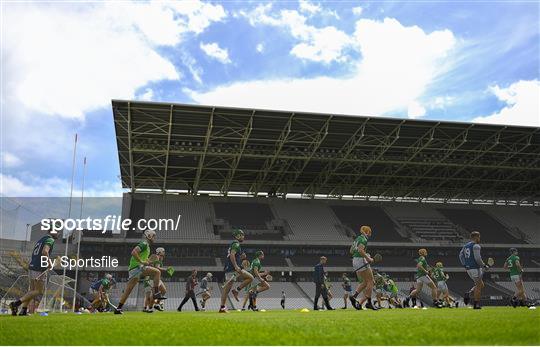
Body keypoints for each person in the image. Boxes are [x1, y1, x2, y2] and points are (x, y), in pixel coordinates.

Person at [10, 225, 59, 316]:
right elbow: (45, 252)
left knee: (31, 291)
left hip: (32, 266)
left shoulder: (41, 239)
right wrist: (49, 263)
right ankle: (16, 304)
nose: (58, 233)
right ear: (53, 231)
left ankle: (23, 311)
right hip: (39, 268)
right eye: (57, 231)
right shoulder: (50, 240)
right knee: (39, 291)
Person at [114, 229, 164, 314]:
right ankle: (156, 293)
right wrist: (141, 261)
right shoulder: (144, 244)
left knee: (128, 290)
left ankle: (118, 308)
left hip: (134, 268)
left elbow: (144, 259)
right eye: (154, 236)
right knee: (157, 272)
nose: (154, 238)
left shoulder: (147, 247)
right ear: (149, 236)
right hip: (137, 267)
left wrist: (147, 261)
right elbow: (134, 252)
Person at [220, 229, 253, 313]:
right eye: (242, 235)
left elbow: (233, 256)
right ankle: (222, 307)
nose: (243, 237)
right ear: (237, 236)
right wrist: (235, 266)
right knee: (226, 289)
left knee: (250, 278)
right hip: (232, 269)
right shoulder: (236, 244)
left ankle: (236, 290)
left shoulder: (235, 244)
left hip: (234, 269)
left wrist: (241, 257)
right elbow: (231, 255)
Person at [459, 231, 490, 309]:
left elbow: (460, 255)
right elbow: (477, 258)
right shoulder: (476, 246)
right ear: (476, 237)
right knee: (479, 286)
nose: (479, 238)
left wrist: (465, 265)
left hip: (469, 269)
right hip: (475, 268)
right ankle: (476, 304)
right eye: (479, 237)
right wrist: (484, 265)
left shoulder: (465, 245)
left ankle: (469, 293)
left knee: (481, 284)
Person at [349, 225, 377, 310]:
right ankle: (368, 303)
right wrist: (368, 258)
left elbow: (351, 251)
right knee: (371, 281)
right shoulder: (363, 239)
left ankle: (354, 297)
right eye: (369, 232)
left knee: (365, 282)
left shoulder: (357, 238)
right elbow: (361, 250)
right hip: (360, 260)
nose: (370, 234)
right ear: (367, 232)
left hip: (355, 260)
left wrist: (364, 255)